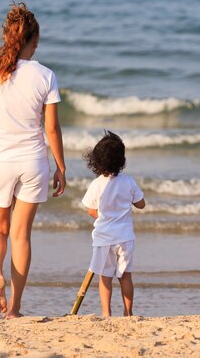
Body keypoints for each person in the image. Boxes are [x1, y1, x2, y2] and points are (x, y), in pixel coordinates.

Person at [0, 2, 66, 319]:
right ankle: (15, 308)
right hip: (33, 161)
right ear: (32, 41)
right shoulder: (45, 75)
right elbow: (51, 127)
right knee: (21, 235)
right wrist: (61, 168)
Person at [81, 131, 145, 316]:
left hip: (103, 237)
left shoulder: (97, 184)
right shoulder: (128, 181)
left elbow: (89, 209)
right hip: (125, 237)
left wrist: (103, 215)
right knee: (125, 276)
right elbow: (141, 204)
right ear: (122, 161)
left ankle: (106, 312)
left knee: (105, 276)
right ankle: (128, 312)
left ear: (97, 161)